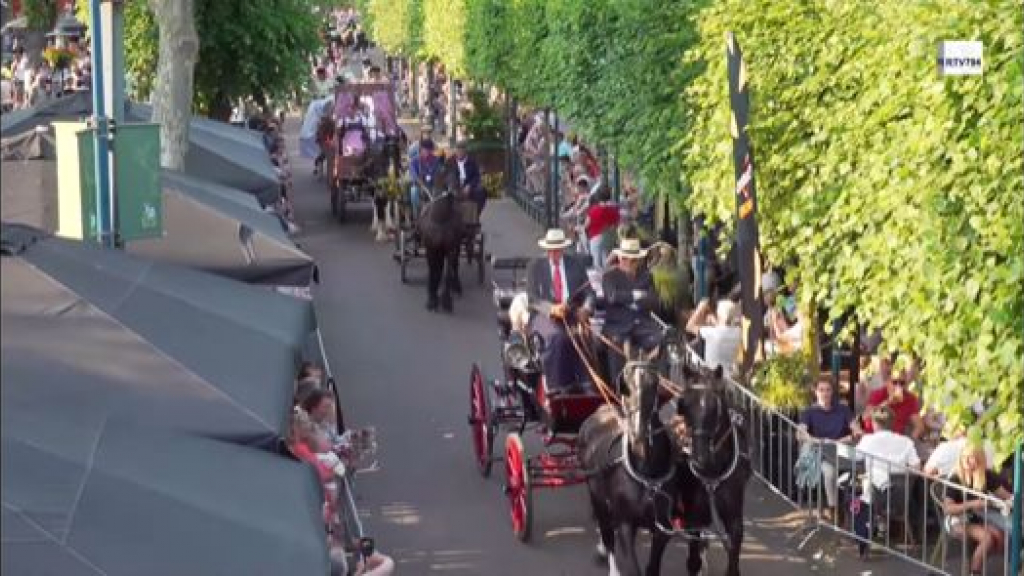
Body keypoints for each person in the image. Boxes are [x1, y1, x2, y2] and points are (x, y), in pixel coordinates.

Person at [525, 229, 595, 393]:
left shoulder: (576, 264)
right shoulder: (535, 266)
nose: (554, 253)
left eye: (557, 249)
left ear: (563, 248)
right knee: (557, 337)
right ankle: (556, 387)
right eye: (551, 249)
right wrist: (551, 309)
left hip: (571, 313)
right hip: (544, 316)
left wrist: (586, 309)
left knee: (584, 336)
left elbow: (589, 293)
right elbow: (532, 299)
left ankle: (586, 384)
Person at [942, 443, 1014, 576]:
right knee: (988, 538)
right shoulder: (955, 478)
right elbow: (948, 509)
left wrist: (1013, 499)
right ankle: (975, 571)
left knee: (1002, 535)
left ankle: (1011, 568)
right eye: (965, 457)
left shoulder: (986, 475)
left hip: (978, 517)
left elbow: (1005, 495)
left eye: (972, 457)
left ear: (980, 459)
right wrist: (972, 504)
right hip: (957, 519)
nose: (968, 461)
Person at [601, 237, 661, 392]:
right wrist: (636, 295)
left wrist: (627, 299)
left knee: (662, 341)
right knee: (616, 345)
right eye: (625, 259)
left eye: (633, 260)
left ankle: (654, 383)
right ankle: (618, 389)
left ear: (638, 261)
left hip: (642, 325)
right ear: (620, 258)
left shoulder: (646, 276)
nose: (628, 263)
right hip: (617, 326)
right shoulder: (609, 276)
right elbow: (612, 297)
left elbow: (654, 301)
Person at [797, 379, 856, 516]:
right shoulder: (809, 412)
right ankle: (833, 509)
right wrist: (819, 441)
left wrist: (846, 438)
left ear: (832, 392)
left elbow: (856, 430)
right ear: (816, 392)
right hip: (820, 452)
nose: (825, 393)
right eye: (821, 390)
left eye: (828, 390)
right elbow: (800, 434)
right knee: (830, 472)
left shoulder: (843, 409)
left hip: (840, 450)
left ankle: (855, 510)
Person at [862, 375, 925, 440]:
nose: (898, 386)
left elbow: (919, 426)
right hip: (872, 436)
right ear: (887, 383)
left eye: (902, 383)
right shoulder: (878, 394)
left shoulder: (910, 399)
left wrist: (909, 441)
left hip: (893, 439)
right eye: (894, 382)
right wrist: (888, 402)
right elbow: (865, 416)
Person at [583, 188, 619, 271]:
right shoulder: (614, 210)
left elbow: (586, 225)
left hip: (596, 238)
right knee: (607, 263)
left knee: (596, 265)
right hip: (610, 238)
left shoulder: (594, 210)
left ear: (598, 197)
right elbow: (616, 225)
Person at [409, 138, 443, 217]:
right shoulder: (415, 161)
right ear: (421, 149)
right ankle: (416, 214)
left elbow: (440, 172)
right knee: (414, 191)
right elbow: (413, 173)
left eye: (429, 150)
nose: (427, 152)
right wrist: (418, 180)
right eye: (425, 149)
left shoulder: (436, 160)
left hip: (434, 185)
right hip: (420, 186)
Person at [453, 141, 486, 216]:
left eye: (461, 151)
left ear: (465, 151)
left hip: (469, 187)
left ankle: (475, 215)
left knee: (481, 191)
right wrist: (455, 187)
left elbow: (476, 176)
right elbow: (448, 176)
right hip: (455, 187)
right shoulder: (451, 162)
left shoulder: (472, 162)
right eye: (458, 151)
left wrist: (469, 185)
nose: (459, 153)